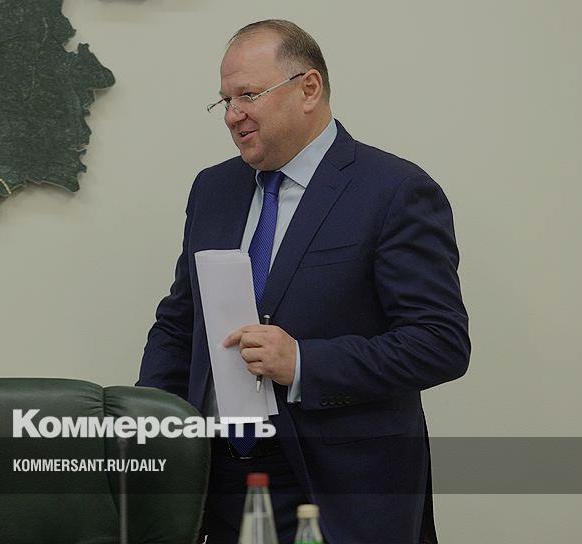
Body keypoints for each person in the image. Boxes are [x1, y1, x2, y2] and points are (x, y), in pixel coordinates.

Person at [138, 19, 470, 544]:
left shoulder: (394, 191)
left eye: (248, 95)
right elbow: (181, 324)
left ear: (308, 88)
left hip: (340, 490)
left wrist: (304, 363)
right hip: (220, 483)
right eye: (225, 100)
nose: (232, 114)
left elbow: (439, 343)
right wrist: (149, 422)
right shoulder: (213, 189)